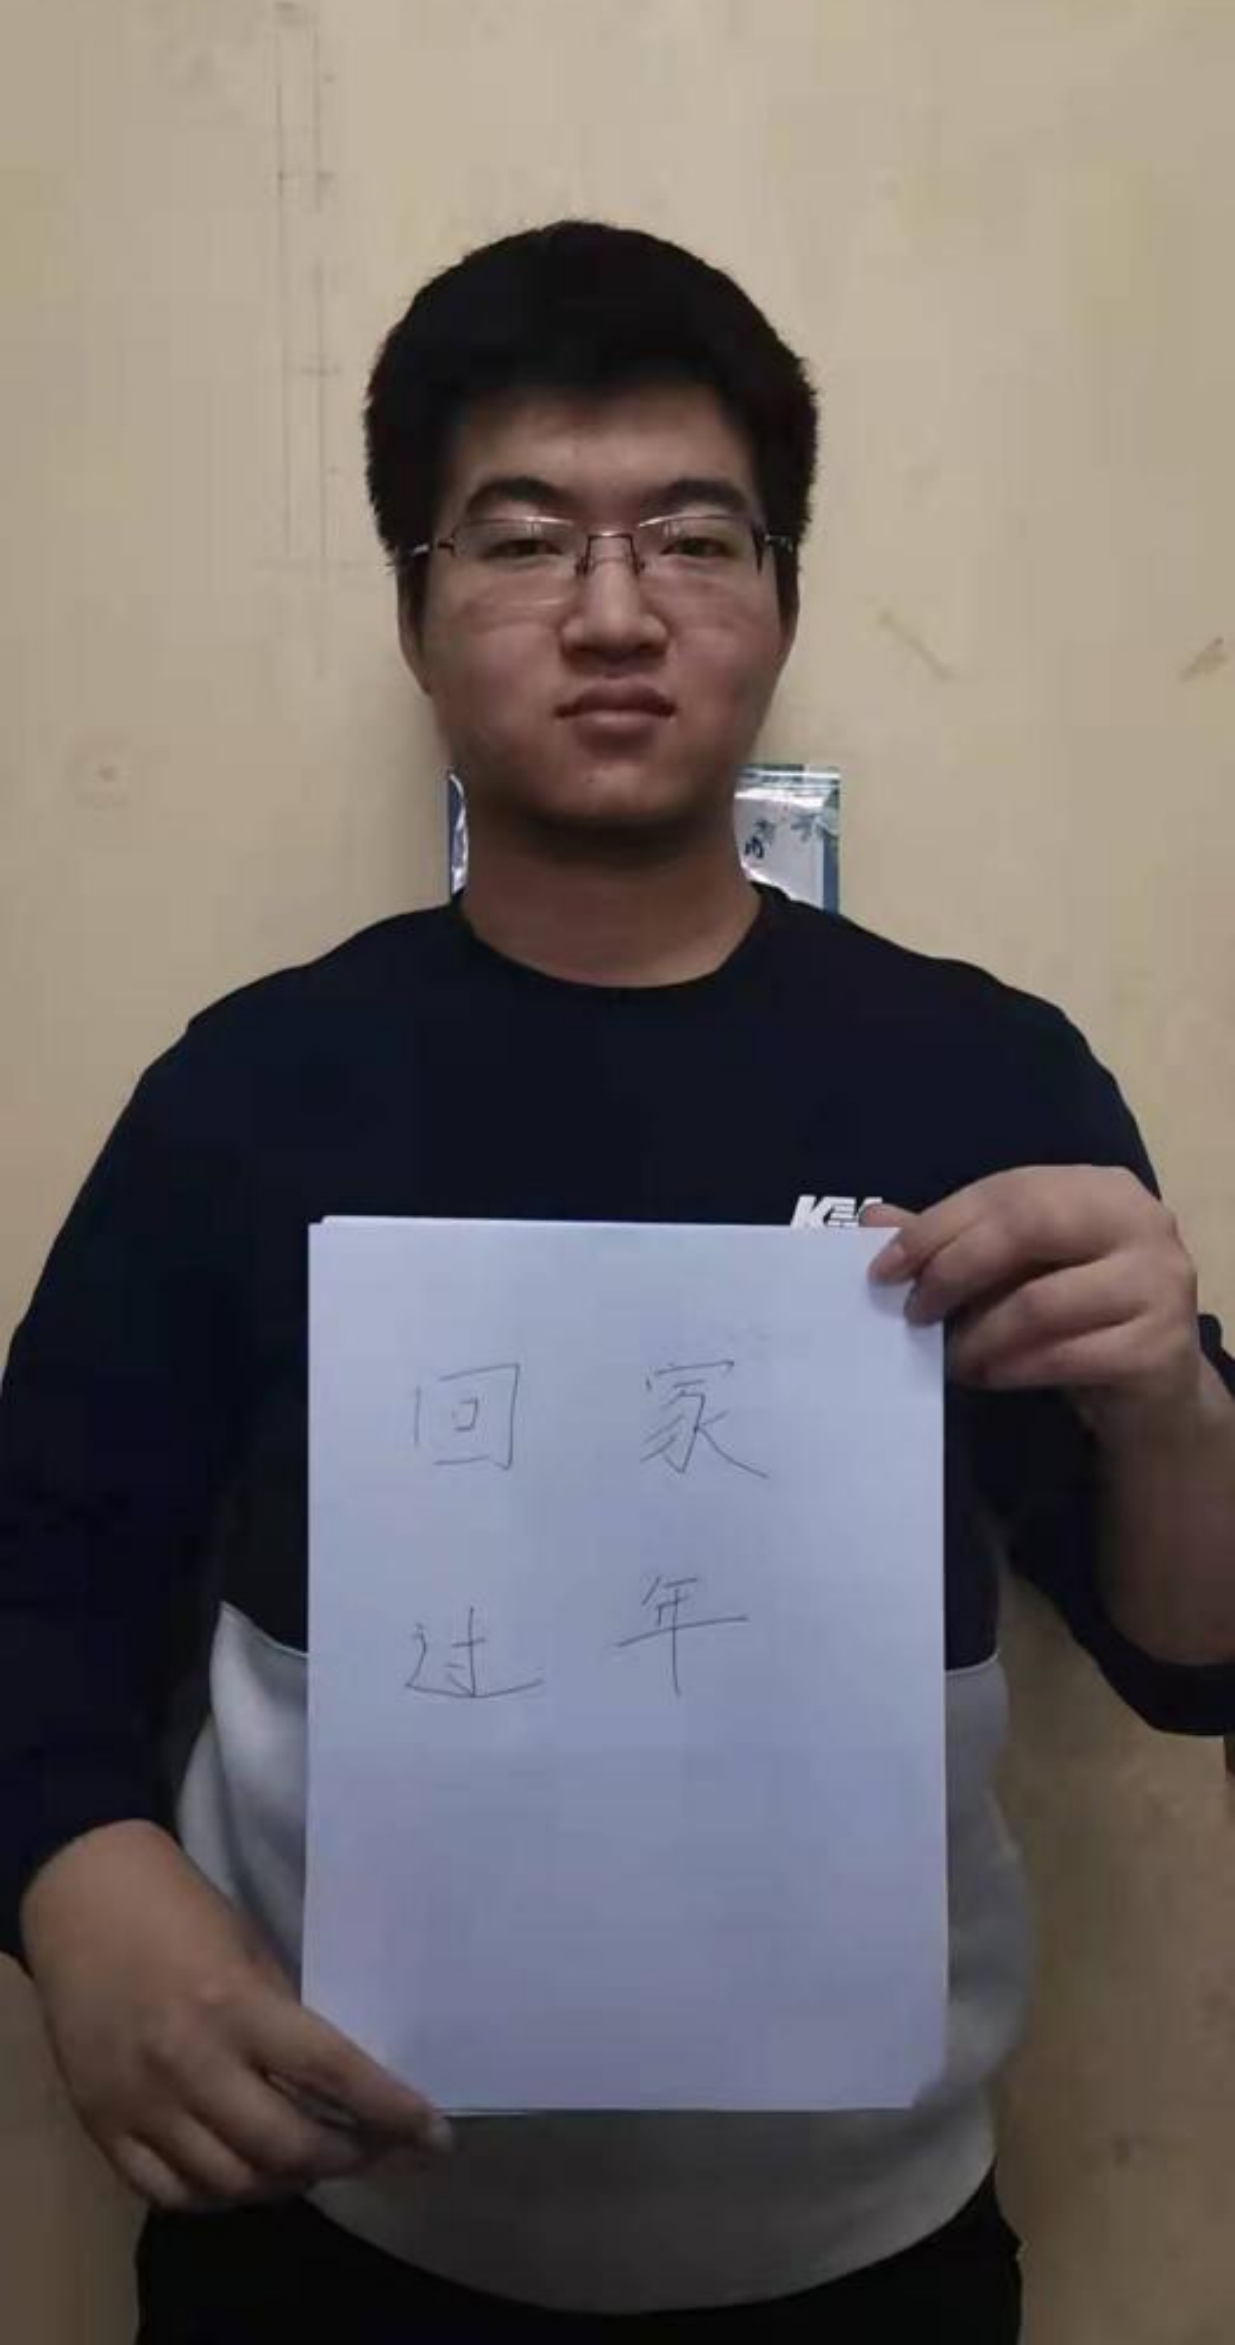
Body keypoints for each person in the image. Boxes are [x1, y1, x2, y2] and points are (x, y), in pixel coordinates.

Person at [2, 221, 1233, 2345]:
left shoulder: (978, 1072)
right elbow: (36, 1576)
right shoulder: (254, 1090)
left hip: (868, 2260)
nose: (610, 610)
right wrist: (76, 1885)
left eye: (692, 536)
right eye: (516, 541)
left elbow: (1188, 1655)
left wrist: (1174, 1412)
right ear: (412, 614)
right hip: (329, 2240)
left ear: (779, 597)